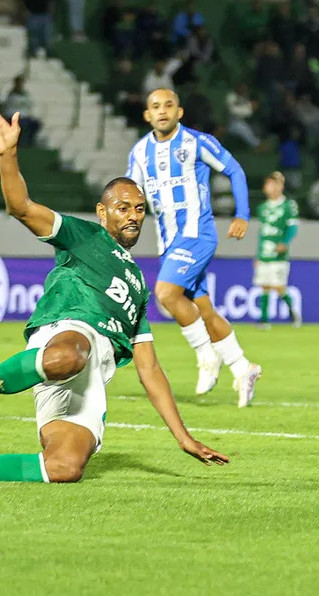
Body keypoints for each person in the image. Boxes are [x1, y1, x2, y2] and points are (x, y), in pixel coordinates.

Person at [0, 101, 229, 483]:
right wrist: (8, 155)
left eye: (140, 209)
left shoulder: (139, 284)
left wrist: (183, 438)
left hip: (91, 377)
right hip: (64, 341)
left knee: (64, 469)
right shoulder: (83, 236)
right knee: (71, 352)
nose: (133, 215)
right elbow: (21, 207)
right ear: (102, 211)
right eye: (123, 207)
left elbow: (149, 368)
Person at [126, 89, 261, 406]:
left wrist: (242, 214)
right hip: (169, 241)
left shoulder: (196, 142)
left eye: (169, 106)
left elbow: (234, 169)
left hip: (197, 233)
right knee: (203, 310)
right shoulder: (140, 152)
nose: (162, 111)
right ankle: (243, 368)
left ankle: (206, 357)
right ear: (147, 115)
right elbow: (131, 193)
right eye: (155, 107)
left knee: (165, 293)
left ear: (180, 112)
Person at [254, 172, 301, 330]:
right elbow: (262, 233)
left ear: (280, 186)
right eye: (268, 184)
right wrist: (258, 255)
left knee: (279, 287)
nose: (270, 187)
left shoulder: (289, 205)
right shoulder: (262, 208)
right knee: (264, 286)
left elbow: (293, 227)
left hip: (279, 254)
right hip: (265, 253)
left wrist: (285, 243)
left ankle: (293, 313)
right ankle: (264, 320)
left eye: (274, 184)